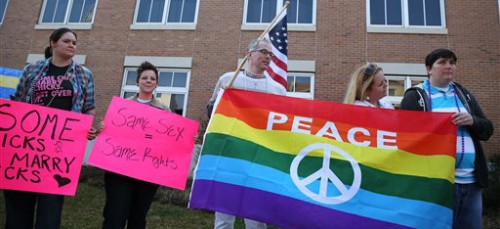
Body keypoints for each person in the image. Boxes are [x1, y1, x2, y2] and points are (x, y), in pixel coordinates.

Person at [5, 27, 97, 229]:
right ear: (53, 43)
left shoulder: (84, 74)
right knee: (18, 208)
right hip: (26, 149)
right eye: (67, 41)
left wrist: (87, 128)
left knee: (50, 209)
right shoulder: (32, 69)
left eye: (74, 42)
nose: (72, 45)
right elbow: (17, 101)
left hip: (58, 154)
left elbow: (89, 108)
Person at [400, 48, 494, 229]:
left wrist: (472, 120)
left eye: (452, 62)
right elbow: (405, 138)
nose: (448, 66)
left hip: (471, 182)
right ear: (429, 69)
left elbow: (487, 130)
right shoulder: (416, 96)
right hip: (437, 184)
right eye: (442, 62)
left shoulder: (464, 95)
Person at [206, 38, 286, 229]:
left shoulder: (277, 89)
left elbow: (282, 123)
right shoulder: (228, 80)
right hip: (230, 157)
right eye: (264, 52)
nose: (268, 57)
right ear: (250, 55)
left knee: (256, 219)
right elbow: (210, 113)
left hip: (258, 159)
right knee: (224, 218)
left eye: (271, 54)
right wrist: (220, 99)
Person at [100, 61, 169, 229]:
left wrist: (189, 138)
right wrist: (103, 128)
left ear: (156, 84)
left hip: (147, 173)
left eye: (152, 78)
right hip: (119, 172)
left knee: (138, 218)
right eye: (144, 77)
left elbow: (169, 140)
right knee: (114, 216)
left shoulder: (164, 111)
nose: (148, 81)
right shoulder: (121, 108)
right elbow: (110, 137)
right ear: (137, 81)